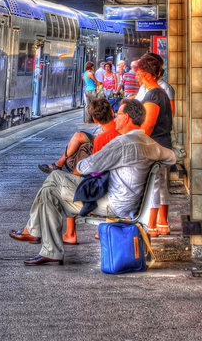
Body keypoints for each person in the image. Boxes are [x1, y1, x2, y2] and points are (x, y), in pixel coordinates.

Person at [9, 99, 177, 266]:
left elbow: (85, 166)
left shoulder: (121, 143)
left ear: (126, 118)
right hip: (130, 203)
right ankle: (47, 248)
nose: (115, 117)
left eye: (118, 114)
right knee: (49, 193)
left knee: (54, 178)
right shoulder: (150, 143)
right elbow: (172, 157)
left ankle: (34, 232)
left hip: (114, 204)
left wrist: (83, 160)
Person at [37, 97, 120, 244]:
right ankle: (36, 230)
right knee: (64, 179)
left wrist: (76, 172)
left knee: (62, 186)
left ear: (94, 118)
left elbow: (95, 169)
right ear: (113, 112)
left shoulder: (102, 139)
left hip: (106, 191)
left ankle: (67, 233)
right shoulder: (120, 131)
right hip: (117, 185)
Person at [135, 55, 174, 237]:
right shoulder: (160, 92)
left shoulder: (154, 94)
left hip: (155, 146)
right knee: (158, 185)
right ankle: (156, 224)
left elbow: (148, 126)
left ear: (147, 74)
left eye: (140, 72)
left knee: (153, 185)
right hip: (161, 145)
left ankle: (150, 225)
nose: (137, 76)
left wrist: (133, 141)